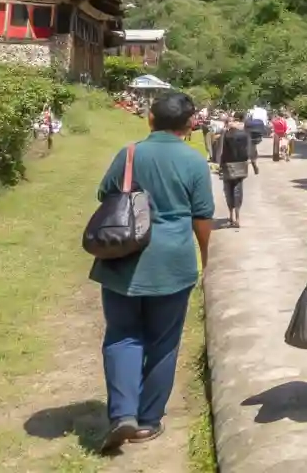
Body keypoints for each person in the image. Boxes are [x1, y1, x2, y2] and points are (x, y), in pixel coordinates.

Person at [89, 91, 214, 453]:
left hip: (123, 260)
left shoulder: (129, 155)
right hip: (173, 264)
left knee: (123, 335)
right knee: (163, 343)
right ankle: (147, 421)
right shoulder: (193, 162)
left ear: (150, 120)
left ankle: (122, 414)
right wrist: (206, 260)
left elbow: (104, 194)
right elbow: (202, 217)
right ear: (190, 125)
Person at [211, 118, 257, 228]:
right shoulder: (246, 135)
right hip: (241, 166)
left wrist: (218, 164)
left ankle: (231, 216)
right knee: (238, 190)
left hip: (227, 166)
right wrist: (255, 166)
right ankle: (237, 217)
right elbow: (251, 151)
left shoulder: (225, 134)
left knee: (228, 190)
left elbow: (220, 151)